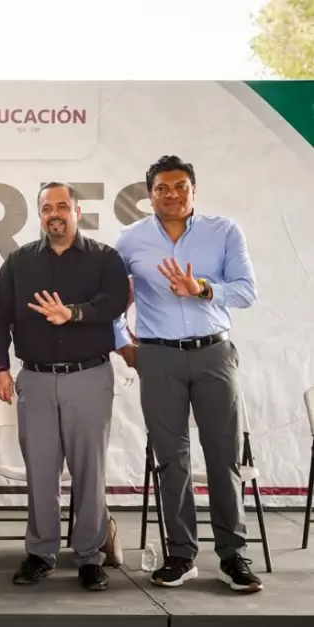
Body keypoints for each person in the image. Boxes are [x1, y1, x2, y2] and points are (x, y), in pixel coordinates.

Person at [114, 155, 262, 593]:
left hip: (214, 353)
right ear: (149, 195)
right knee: (171, 460)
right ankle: (181, 555)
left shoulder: (224, 232)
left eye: (180, 186)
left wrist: (203, 289)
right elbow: (110, 296)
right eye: (162, 188)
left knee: (224, 457)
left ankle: (233, 556)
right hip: (158, 358)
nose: (172, 194)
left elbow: (248, 291)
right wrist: (123, 341)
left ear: (193, 191)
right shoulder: (130, 240)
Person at [0, 182, 129, 592]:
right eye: (47, 207)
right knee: (42, 472)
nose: (54, 214)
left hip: (90, 377)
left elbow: (114, 301)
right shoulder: (18, 261)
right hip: (36, 378)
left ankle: (88, 557)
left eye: (62, 206)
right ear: (39, 214)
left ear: (77, 211)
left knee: (89, 470)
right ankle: (41, 554)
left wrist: (74, 314)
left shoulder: (105, 258)